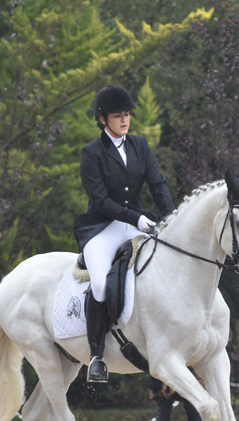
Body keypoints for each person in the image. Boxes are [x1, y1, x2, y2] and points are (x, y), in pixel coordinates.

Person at [74, 85, 176, 383]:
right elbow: (102, 200)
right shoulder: (91, 153)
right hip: (103, 227)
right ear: (103, 119)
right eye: (117, 116)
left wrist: (171, 220)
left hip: (139, 224)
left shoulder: (140, 145)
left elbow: (157, 185)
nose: (124, 120)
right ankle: (96, 356)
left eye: (127, 115)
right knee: (101, 285)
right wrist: (137, 218)